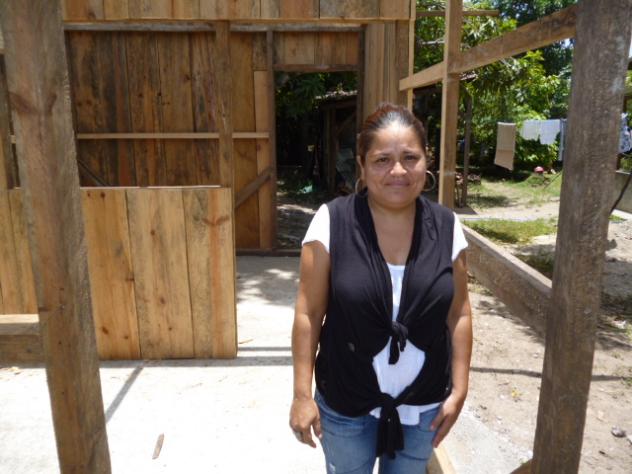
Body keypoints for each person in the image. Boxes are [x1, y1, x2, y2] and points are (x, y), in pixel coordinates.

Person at [289, 103, 472, 474]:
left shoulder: (447, 226)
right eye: (382, 160)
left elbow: (460, 313)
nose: (398, 171)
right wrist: (301, 395)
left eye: (410, 158)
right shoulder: (332, 222)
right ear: (362, 165)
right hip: (345, 405)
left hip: (423, 410)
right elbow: (308, 313)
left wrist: (460, 388)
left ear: (426, 162)